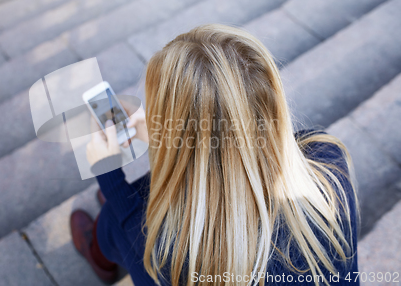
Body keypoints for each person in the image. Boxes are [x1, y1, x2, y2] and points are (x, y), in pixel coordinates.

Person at [70, 24, 359, 286]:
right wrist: (168, 134)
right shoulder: (328, 157)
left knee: (115, 221)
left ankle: (99, 258)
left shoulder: (171, 255)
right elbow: (230, 139)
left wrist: (107, 171)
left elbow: (142, 250)